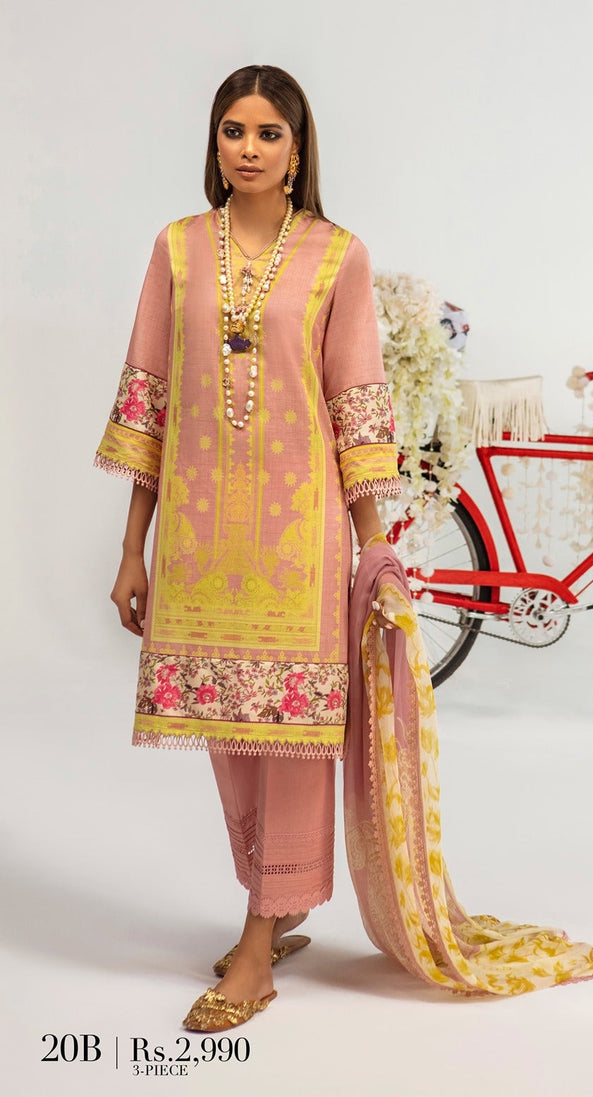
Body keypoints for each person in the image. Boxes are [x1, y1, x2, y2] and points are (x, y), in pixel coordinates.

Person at [96, 64, 403, 1031]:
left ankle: (260, 942)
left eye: (269, 132)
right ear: (214, 142)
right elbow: (149, 399)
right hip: (197, 539)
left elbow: (356, 403)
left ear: (298, 148)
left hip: (299, 541)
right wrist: (133, 548)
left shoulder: (337, 255)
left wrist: (376, 552)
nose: (249, 147)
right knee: (231, 736)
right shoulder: (178, 249)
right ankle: (275, 900)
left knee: (295, 740)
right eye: (234, 129)